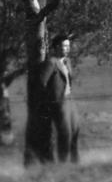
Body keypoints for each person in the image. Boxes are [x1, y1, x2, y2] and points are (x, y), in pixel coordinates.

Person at [25, 32, 80, 164]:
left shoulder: (67, 62)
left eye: (68, 46)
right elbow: (41, 83)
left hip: (70, 100)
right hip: (59, 102)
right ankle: (63, 163)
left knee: (76, 130)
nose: (66, 49)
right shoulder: (51, 62)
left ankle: (75, 162)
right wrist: (49, 101)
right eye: (62, 46)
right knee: (65, 134)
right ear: (55, 47)